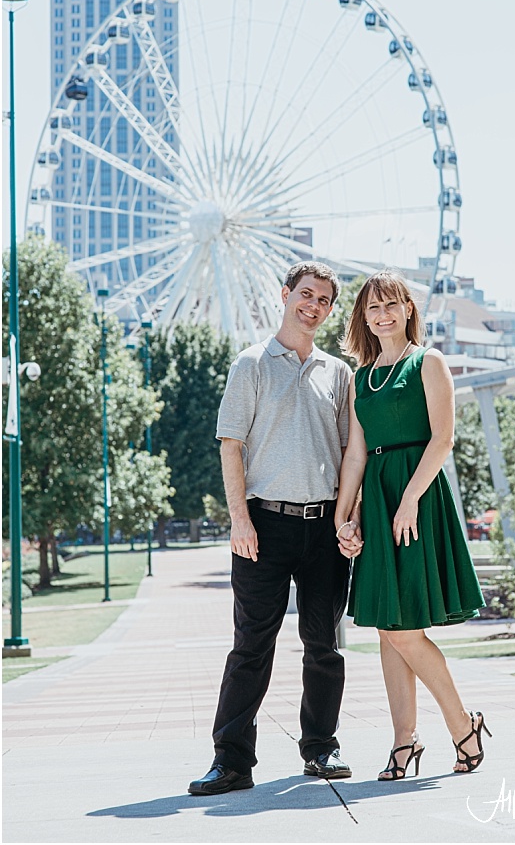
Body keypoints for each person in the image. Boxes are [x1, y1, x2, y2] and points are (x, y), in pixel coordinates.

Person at [188, 262, 353, 796]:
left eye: (325, 300)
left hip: (324, 527)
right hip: (262, 524)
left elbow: (352, 454)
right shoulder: (251, 364)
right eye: (306, 295)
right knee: (251, 645)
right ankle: (232, 760)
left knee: (323, 643)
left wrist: (349, 518)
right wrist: (239, 520)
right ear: (286, 295)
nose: (314, 306)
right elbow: (230, 445)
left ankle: (321, 748)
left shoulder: (339, 372)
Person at [334, 270, 491, 781]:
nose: (381, 315)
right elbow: (356, 452)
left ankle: (461, 724)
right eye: (372, 308)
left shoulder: (429, 362)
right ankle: (405, 741)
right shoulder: (361, 377)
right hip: (377, 499)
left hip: (416, 498)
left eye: (390, 305)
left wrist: (408, 501)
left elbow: (442, 439)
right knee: (388, 626)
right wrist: (346, 512)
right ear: (364, 317)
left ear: (407, 309)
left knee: (402, 630)